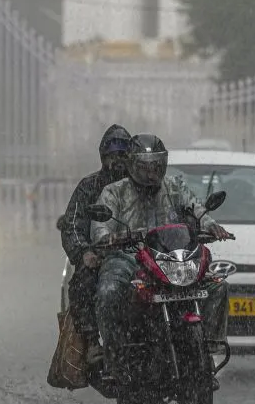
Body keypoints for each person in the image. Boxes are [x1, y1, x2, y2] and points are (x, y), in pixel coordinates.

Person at [90, 133, 233, 386]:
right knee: (109, 290)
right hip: (128, 258)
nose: (150, 173)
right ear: (132, 165)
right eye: (144, 166)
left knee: (217, 285)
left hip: (169, 258)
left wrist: (211, 226)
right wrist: (109, 237)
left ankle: (207, 350)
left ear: (164, 164)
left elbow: (196, 209)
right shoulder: (114, 192)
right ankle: (115, 355)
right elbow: (101, 229)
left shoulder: (175, 186)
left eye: (156, 166)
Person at [58, 124, 132, 362]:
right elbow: (72, 225)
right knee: (81, 285)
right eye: (112, 156)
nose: (117, 161)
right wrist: (84, 253)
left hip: (144, 256)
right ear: (103, 157)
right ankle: (91, 343)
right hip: (103, 258)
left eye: (123, 155)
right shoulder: (89, 187)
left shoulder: (146, 186)